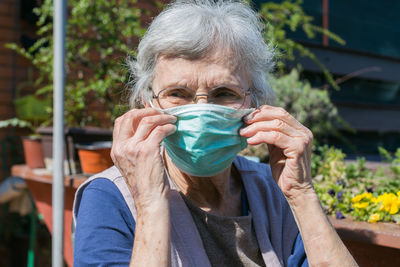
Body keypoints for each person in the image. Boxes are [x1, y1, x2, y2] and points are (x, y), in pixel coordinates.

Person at [73, 1, 357, 266]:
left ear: (254, 103)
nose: (202, 111)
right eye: (177, 94)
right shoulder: (109, 197)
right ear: (149, 103)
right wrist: (150, 203)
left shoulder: (272, 189)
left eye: (224, 93)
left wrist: (301, 192)